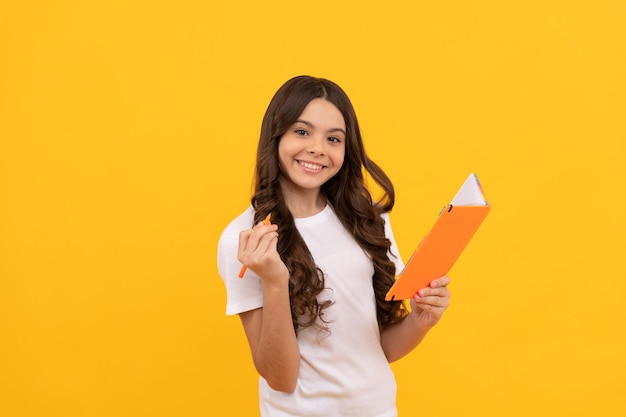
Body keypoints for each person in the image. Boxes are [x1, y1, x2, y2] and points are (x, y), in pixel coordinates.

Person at [217, 75, 451, 417]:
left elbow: (380, 350)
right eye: (301, 131)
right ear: (275, 135)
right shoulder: (244, 240)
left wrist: (421, 320)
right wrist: (274, 280)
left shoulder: (368, 221)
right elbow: (280, 378)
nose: (317, 148)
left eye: (333, 139)